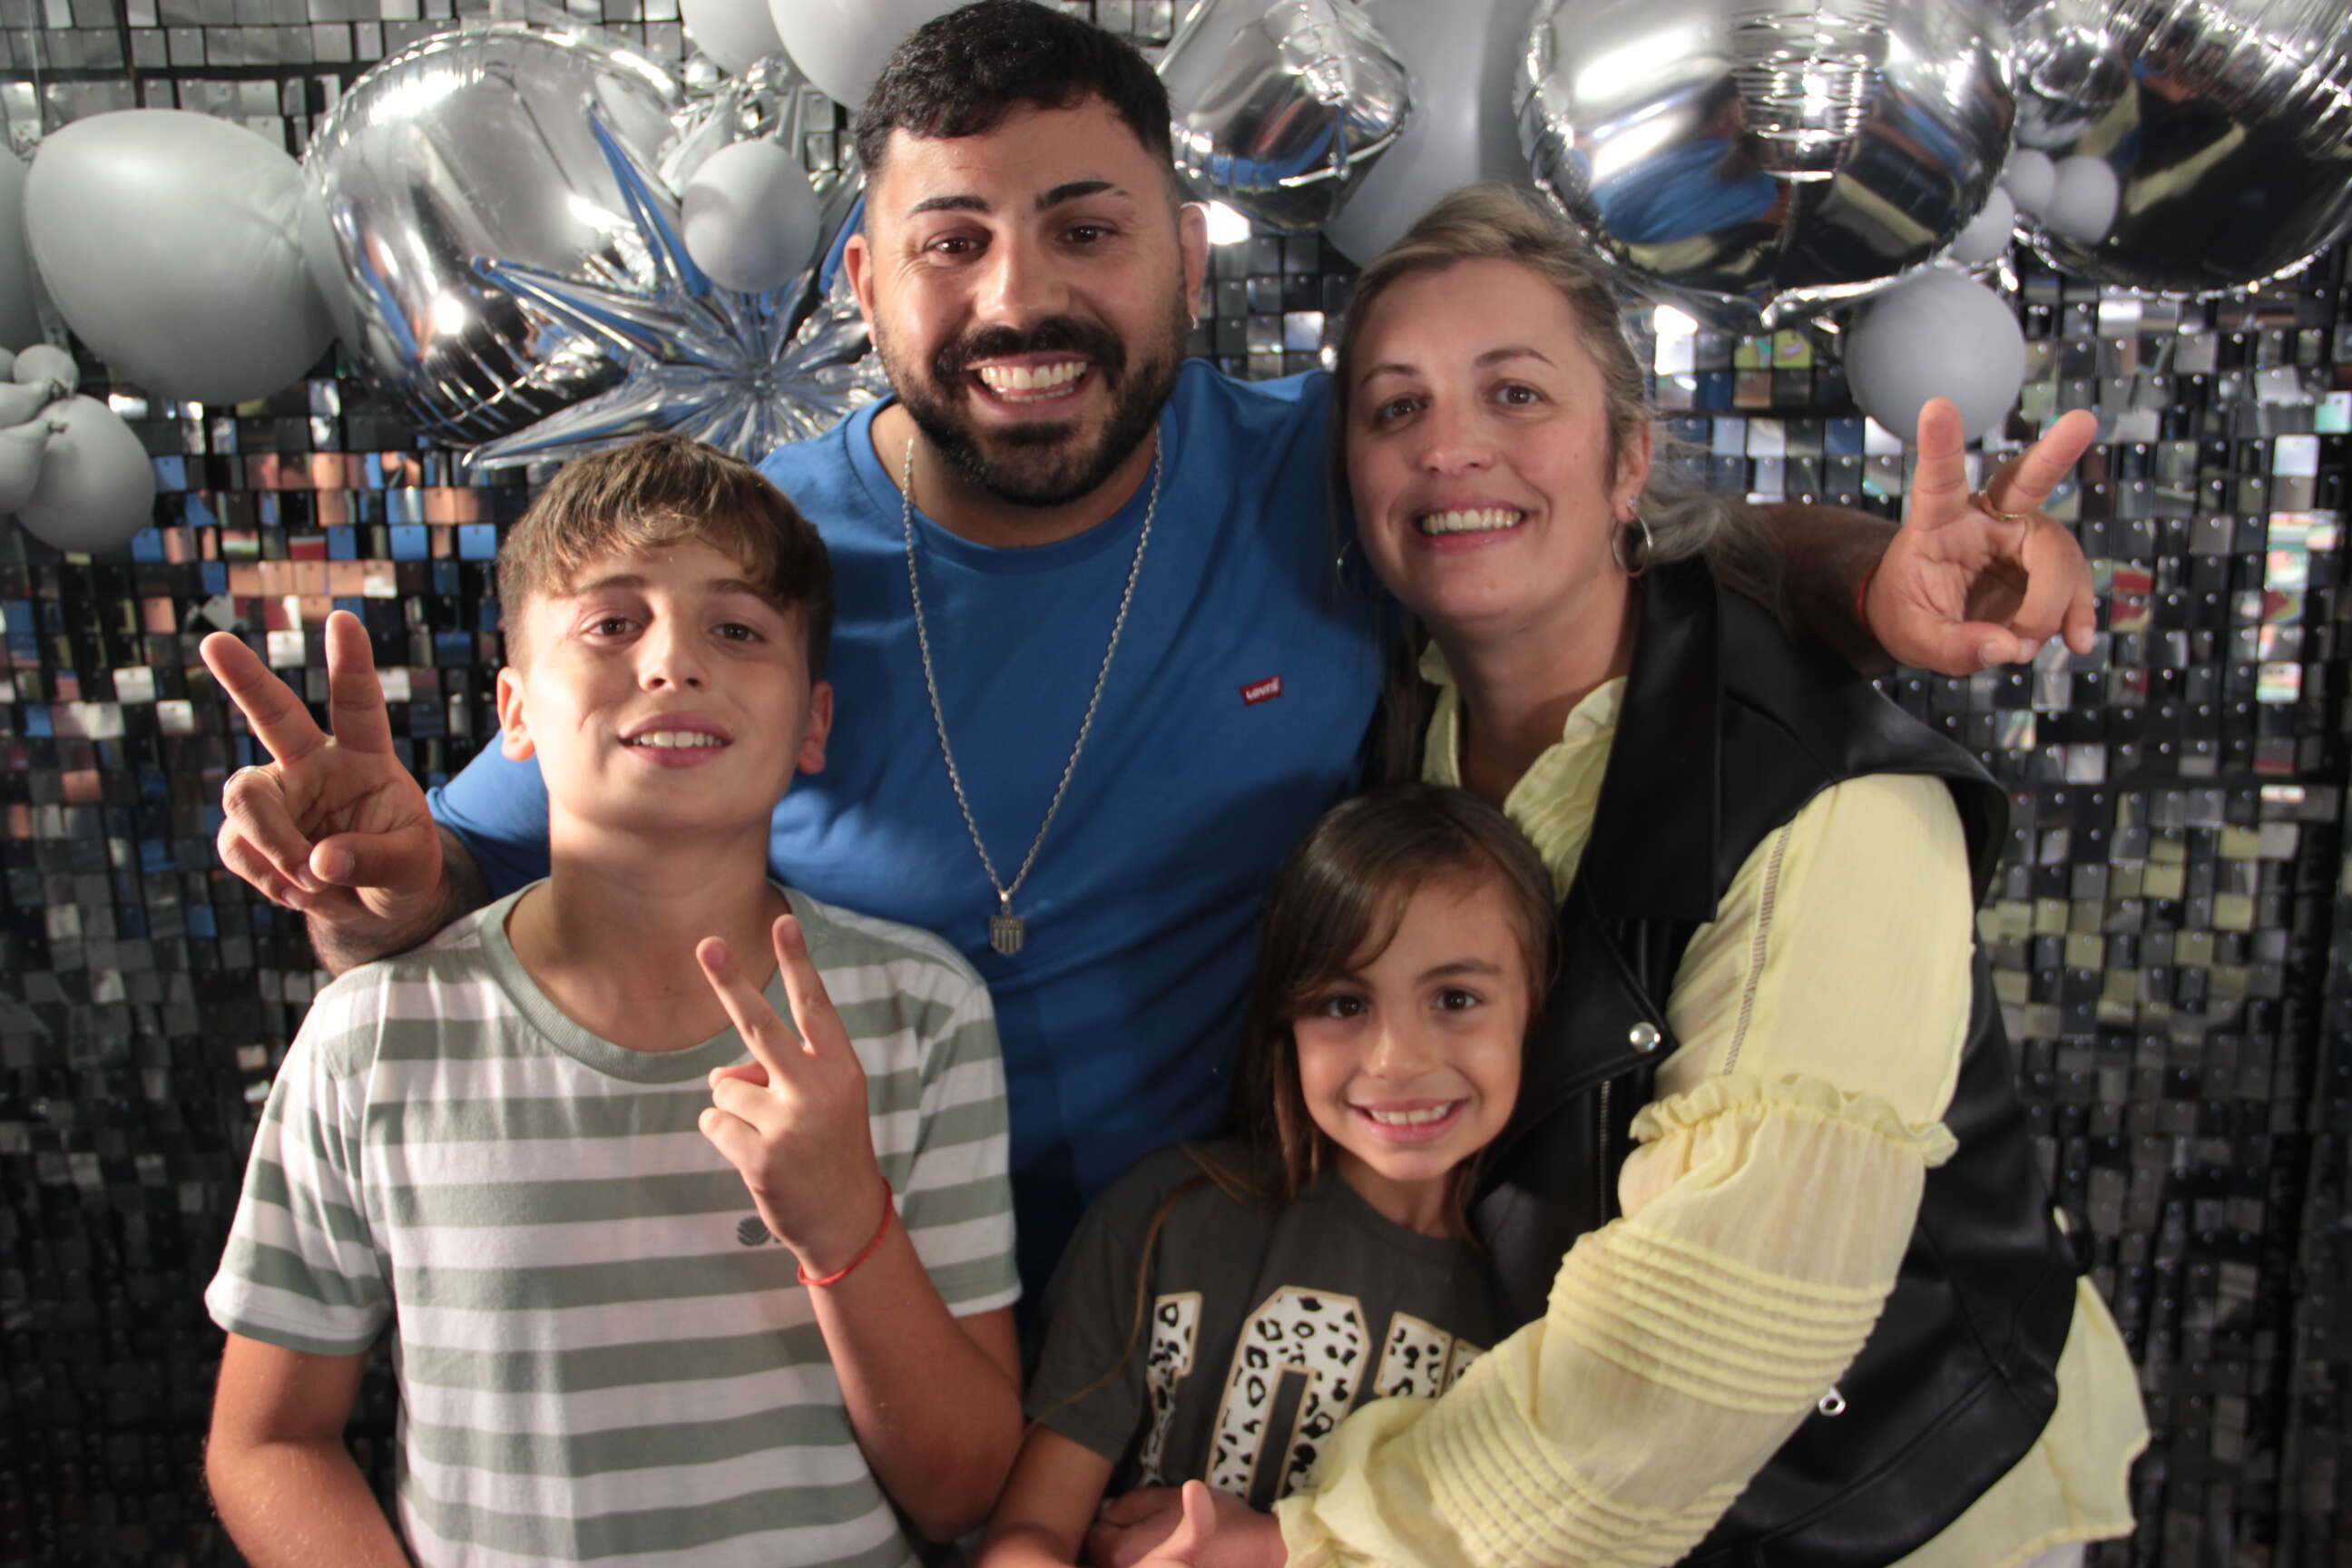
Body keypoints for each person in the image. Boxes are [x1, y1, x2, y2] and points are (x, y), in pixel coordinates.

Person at [206, 0, 2100, 1289]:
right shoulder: (738, 569)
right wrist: (378, 884)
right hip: (835, 1320)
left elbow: (1619, 529)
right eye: (951, 242)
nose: (1018, 297)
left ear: (1185, 258)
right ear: (863, 284)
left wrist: (1876, 583)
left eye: (1084, 229)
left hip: (1218, 1317)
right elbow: (472, 870)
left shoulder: (1322, 469)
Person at [1091, 185, 2146, 1568]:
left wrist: (1318, 1544)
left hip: (1877, 1503)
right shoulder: (1383, 713)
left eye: (1516, 394)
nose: (1451, 447)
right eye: (1397, 408)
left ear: (1629, 460)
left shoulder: (1836, 803)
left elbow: (1712, 1331)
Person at [200, 436, 1023, 1568]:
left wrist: (848, 1225)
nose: (673, 661)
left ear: (814, 723)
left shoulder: (922, 1012)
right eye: (611, 623)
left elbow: (964, 1491)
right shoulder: (373, 1036)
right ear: (515, 712)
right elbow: (269, 1441)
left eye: (739, 630)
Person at [978, 784, 1550, 1568]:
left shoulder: (1554, 1314)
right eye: (1344, 1004)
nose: (1396, 1061)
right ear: (1286, 1020)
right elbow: (1029, 1533)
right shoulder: (1169, 1216)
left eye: (1455, 998)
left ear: (1539, 1006)